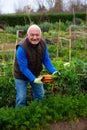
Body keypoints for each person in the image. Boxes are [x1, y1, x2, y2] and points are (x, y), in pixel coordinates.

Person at [14, 24, 60, 107]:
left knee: (40, 95)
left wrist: (54, 71)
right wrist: (33, 79)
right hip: (21, 75)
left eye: (37, 35)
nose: (35, 38)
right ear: (27, 35)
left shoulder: (43, 44)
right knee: (21, 98)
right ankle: (20, 116)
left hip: (36, 74)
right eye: (32, 35)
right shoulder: (22, 48)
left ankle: (36, 111)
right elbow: (23, 68)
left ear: (40, 35)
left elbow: (46, 60)